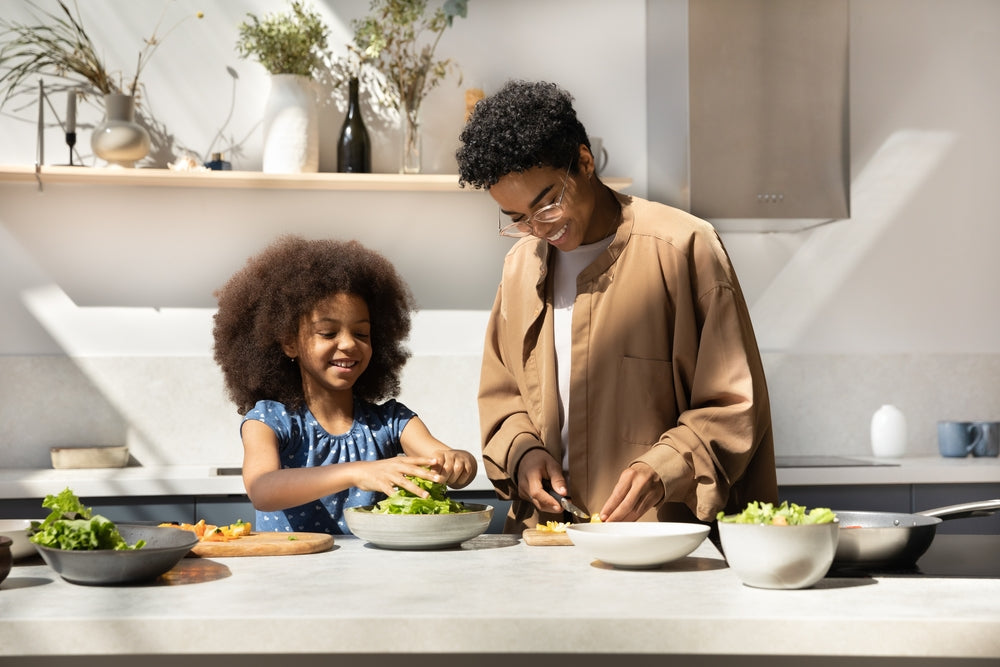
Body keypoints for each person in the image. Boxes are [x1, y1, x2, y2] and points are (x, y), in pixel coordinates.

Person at [456, 80, 777, 533]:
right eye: (517, 219)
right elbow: (503, 396)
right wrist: (523, 451)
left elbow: (735, 405)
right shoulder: (519, 268)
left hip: (661, 545)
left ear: (584, 162)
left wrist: (667, 466)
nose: (538, 228)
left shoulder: (684, 247)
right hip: (546, 544)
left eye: (546, 205)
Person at [212, 235, 477, 534]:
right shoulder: (270, 420)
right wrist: (356, 472)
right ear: (289, 343)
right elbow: (262, 490)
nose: (349, 344)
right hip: (289, 575)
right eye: (328, 333)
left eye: (362, 334)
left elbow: (444, 460)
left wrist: (459, 463)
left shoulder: (391, 421)